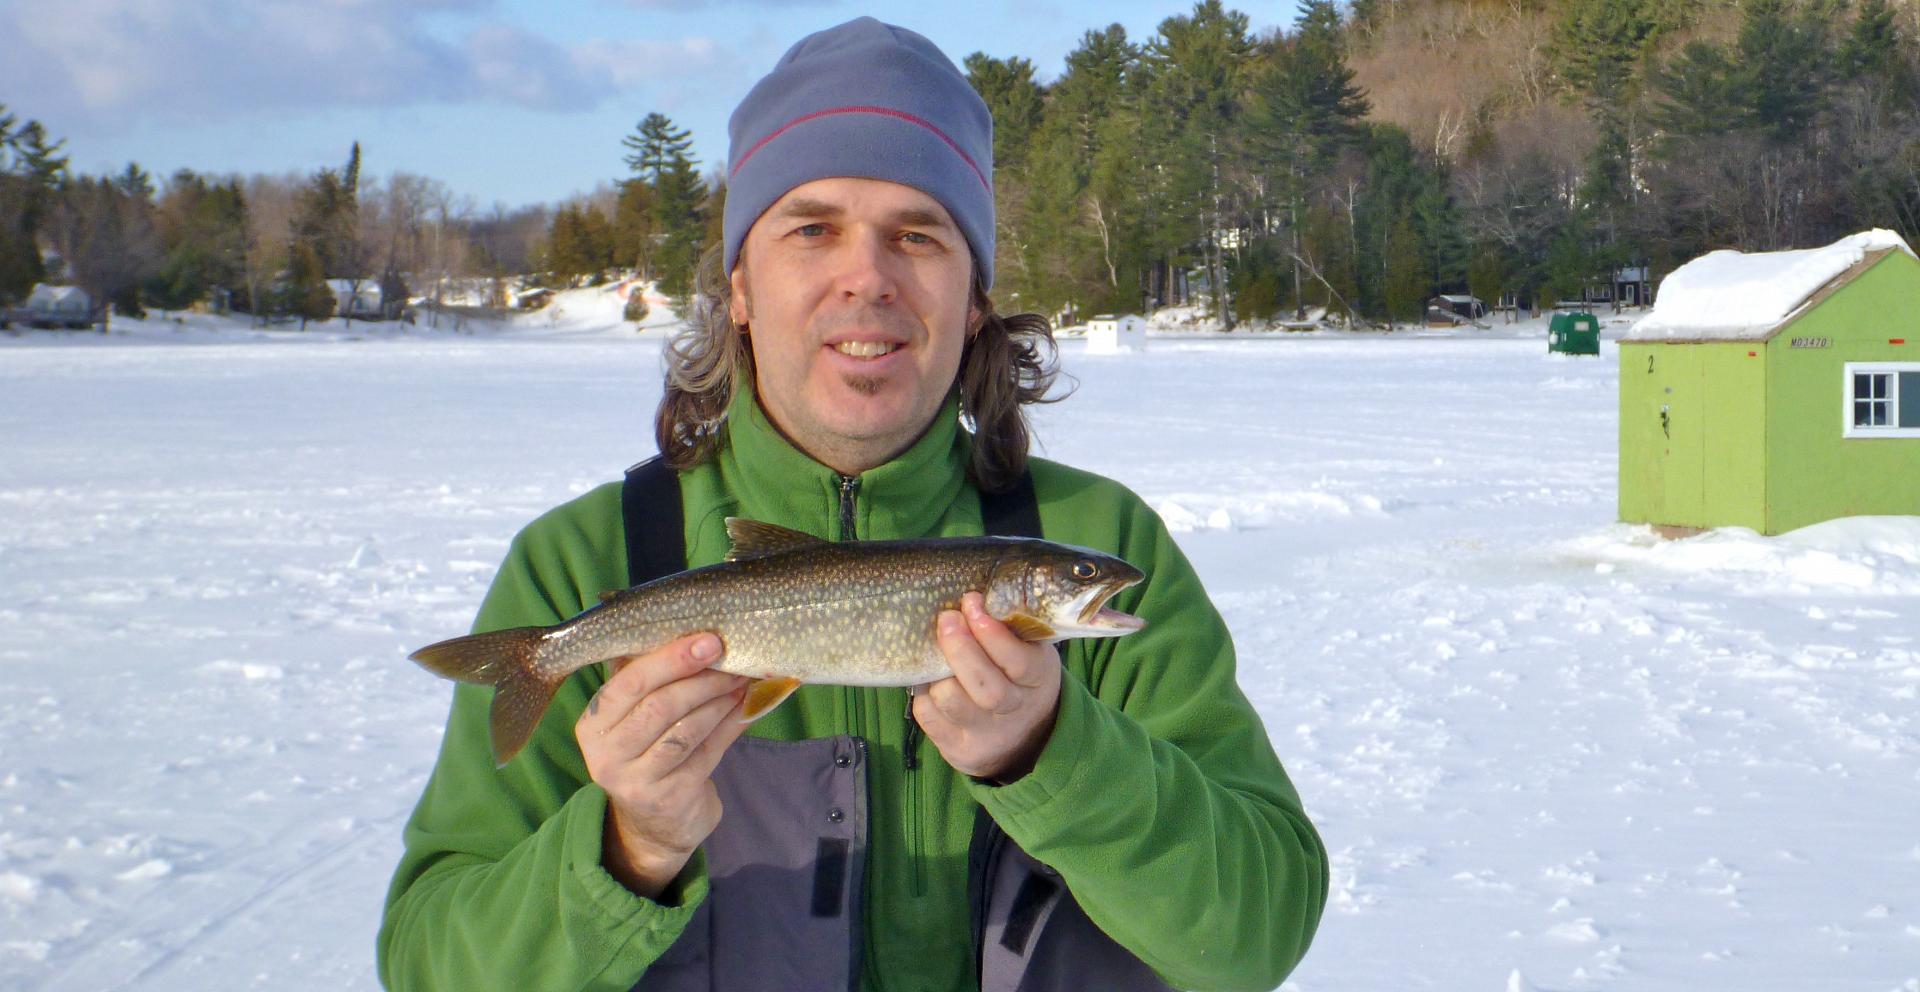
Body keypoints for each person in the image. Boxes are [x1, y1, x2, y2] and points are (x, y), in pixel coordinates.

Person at [378, 16, 1326, 992]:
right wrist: (626, 847)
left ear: (973, 300)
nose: (866, 277)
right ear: (740, 285)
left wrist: (1060, 754)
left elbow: (1262, 930)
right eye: (812, 228)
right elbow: (426, 964)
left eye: (917, 234)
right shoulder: (582, 563)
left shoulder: (1113, 544)